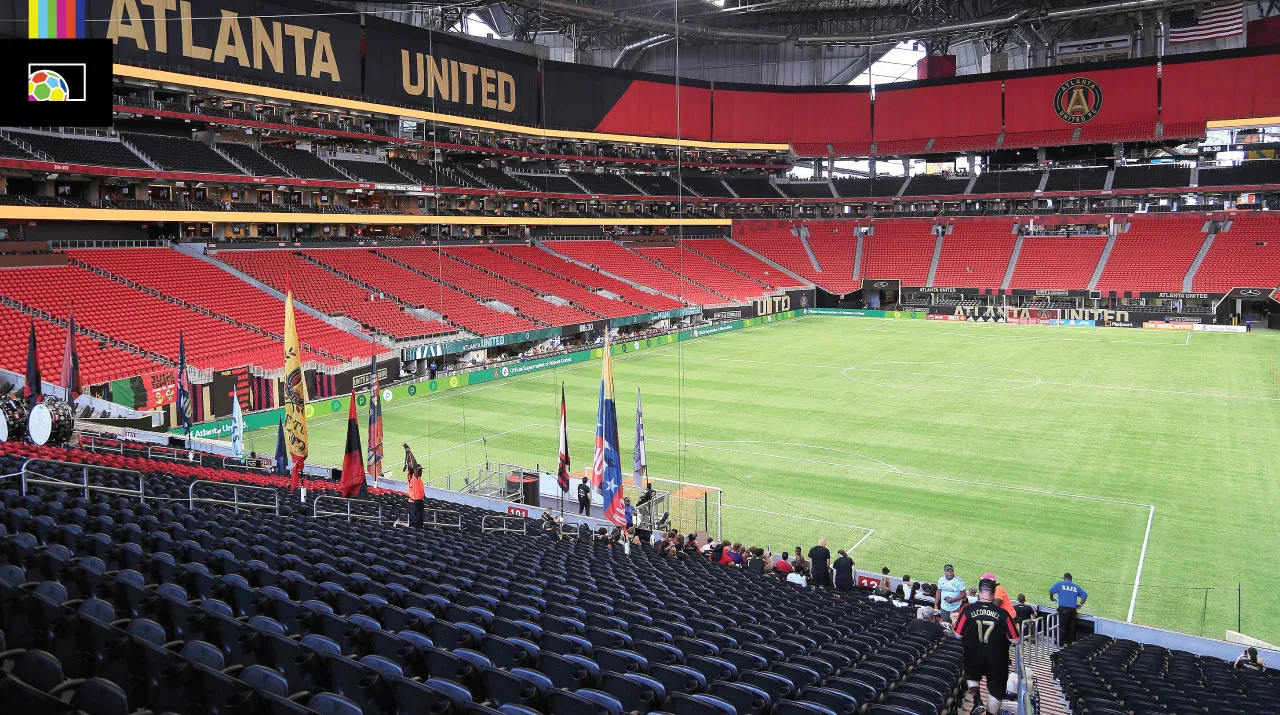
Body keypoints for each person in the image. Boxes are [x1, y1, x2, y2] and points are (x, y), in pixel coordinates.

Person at [954, 578, 1020, 715]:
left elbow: (958, 635)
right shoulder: (1003, 614)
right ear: (994, 594)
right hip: (997, 660)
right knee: (996, 690)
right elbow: (1016, 640)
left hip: (973, 656)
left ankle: (977, 700)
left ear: (979, 592)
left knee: (971, 673)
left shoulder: (967, 610)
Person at [1049, 572, 1088, 645]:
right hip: (1073, 610)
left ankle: (1059, 642)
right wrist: (1080, 604)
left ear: (1064, 578)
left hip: (1063, 609)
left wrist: (1052, 598)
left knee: (1062, 626)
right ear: (1071, 579)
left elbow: (1051, 591)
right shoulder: (1076, 587)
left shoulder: (1059, 584)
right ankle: (1069, 643)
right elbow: (1084, 596)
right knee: (1071, 627)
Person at [406, 464, 425, 529]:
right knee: (416, 525)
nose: (422, 472)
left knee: (417, 524)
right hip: (415, 505)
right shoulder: (415, 478)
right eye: (421, 470)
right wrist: (410, 454)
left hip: (414, 504)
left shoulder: (410, 477)